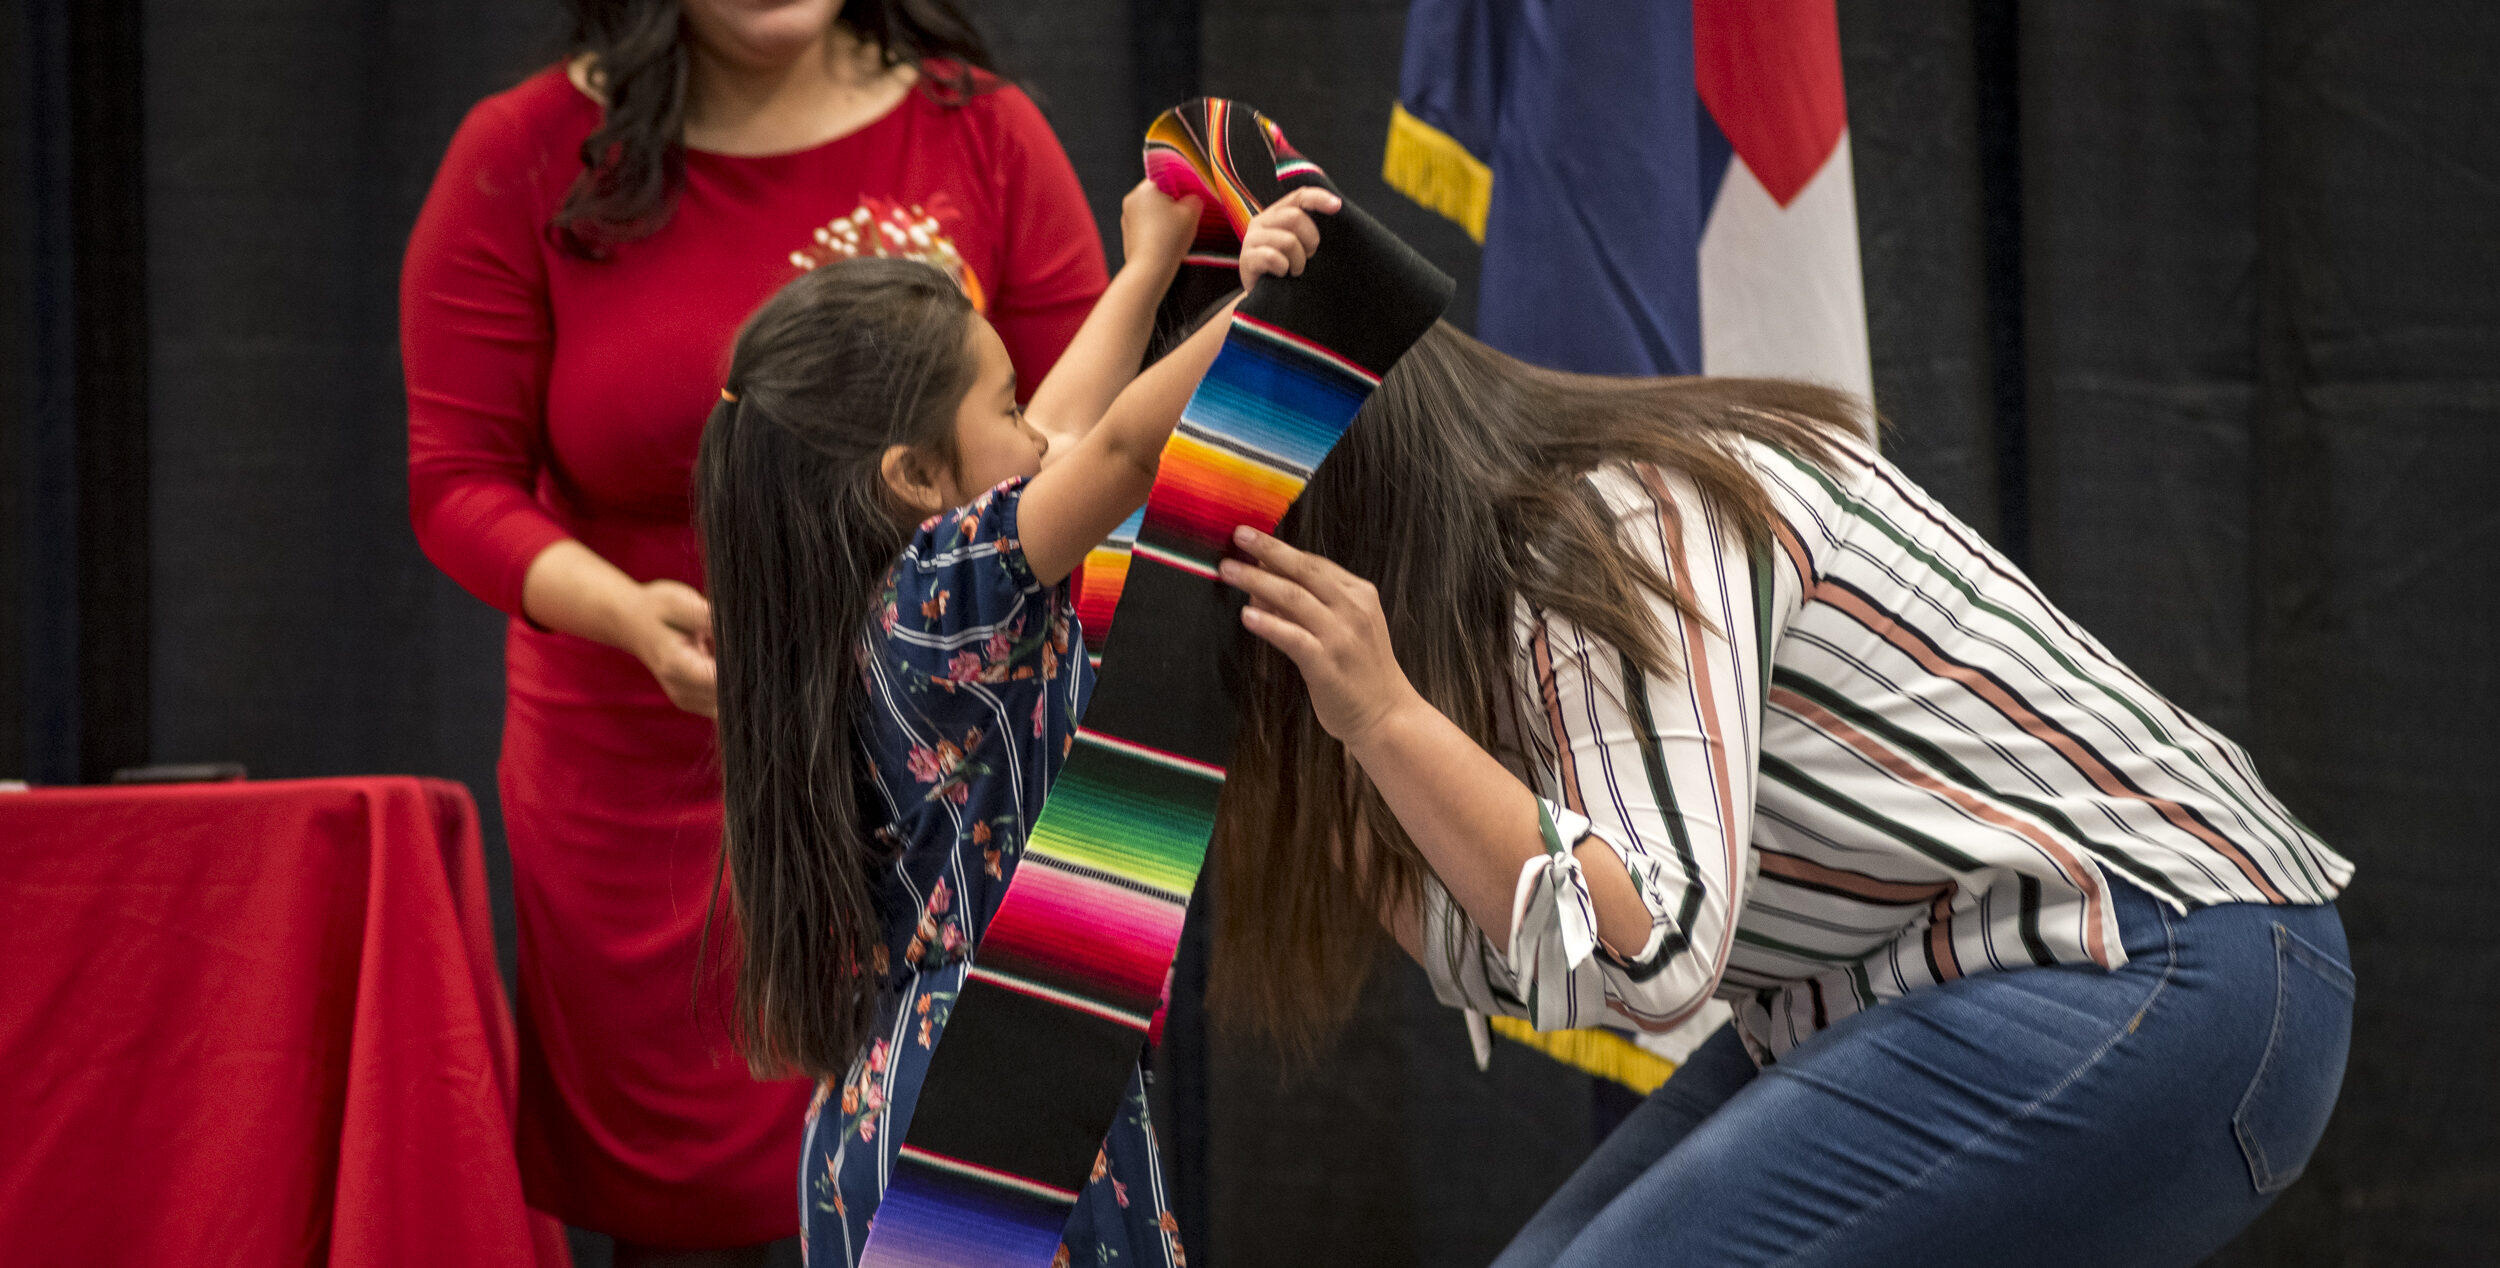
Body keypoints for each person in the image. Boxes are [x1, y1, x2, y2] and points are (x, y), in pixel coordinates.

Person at [1207, 326, 2357, 1268]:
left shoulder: (1611, 523)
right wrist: (1339, 748)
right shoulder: (1503, 610)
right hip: (1954, 982)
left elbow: (1648, 949)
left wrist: (1386, 721)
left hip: (2175, 956)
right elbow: (1524, 949)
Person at [401, 1, 1106, 1261]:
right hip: (646, 788)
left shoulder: (983, 134)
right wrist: (622, 614)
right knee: (683, 1224)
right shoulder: (523, 152)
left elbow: (1075, 440)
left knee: (946, 1201)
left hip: (929, 781)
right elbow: (456, 478)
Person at [693, 171, 1341, 1267]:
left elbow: (1061, 430)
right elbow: (1119, 449)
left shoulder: (902, 604)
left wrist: (1144, 270)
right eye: (998, 407)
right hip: (994, 1102)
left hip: (914, 1096)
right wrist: (1266, 303)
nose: (1030, 429)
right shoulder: (944, 592)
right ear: (910, 475)